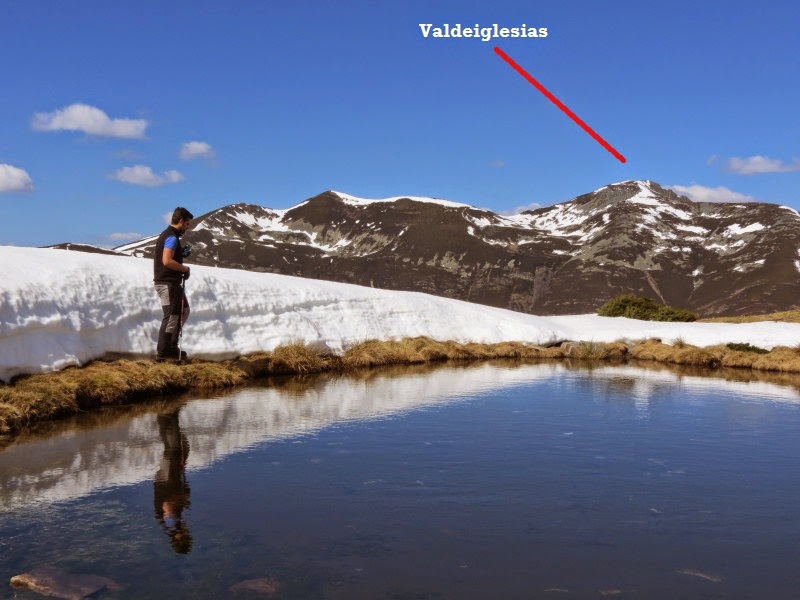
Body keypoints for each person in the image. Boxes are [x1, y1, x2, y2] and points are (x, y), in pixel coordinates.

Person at [154, 207, 193, 361]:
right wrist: (184, 268)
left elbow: (169, 257)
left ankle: (171, 347)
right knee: (171, 316)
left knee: (184, 311)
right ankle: (164, 353)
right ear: (181, 221)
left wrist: (180, 254)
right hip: (167, 283)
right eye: (187, 224)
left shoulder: (169, 236)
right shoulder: (171, 237)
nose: (187, 228)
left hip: (170, 283)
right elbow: (167, 261)